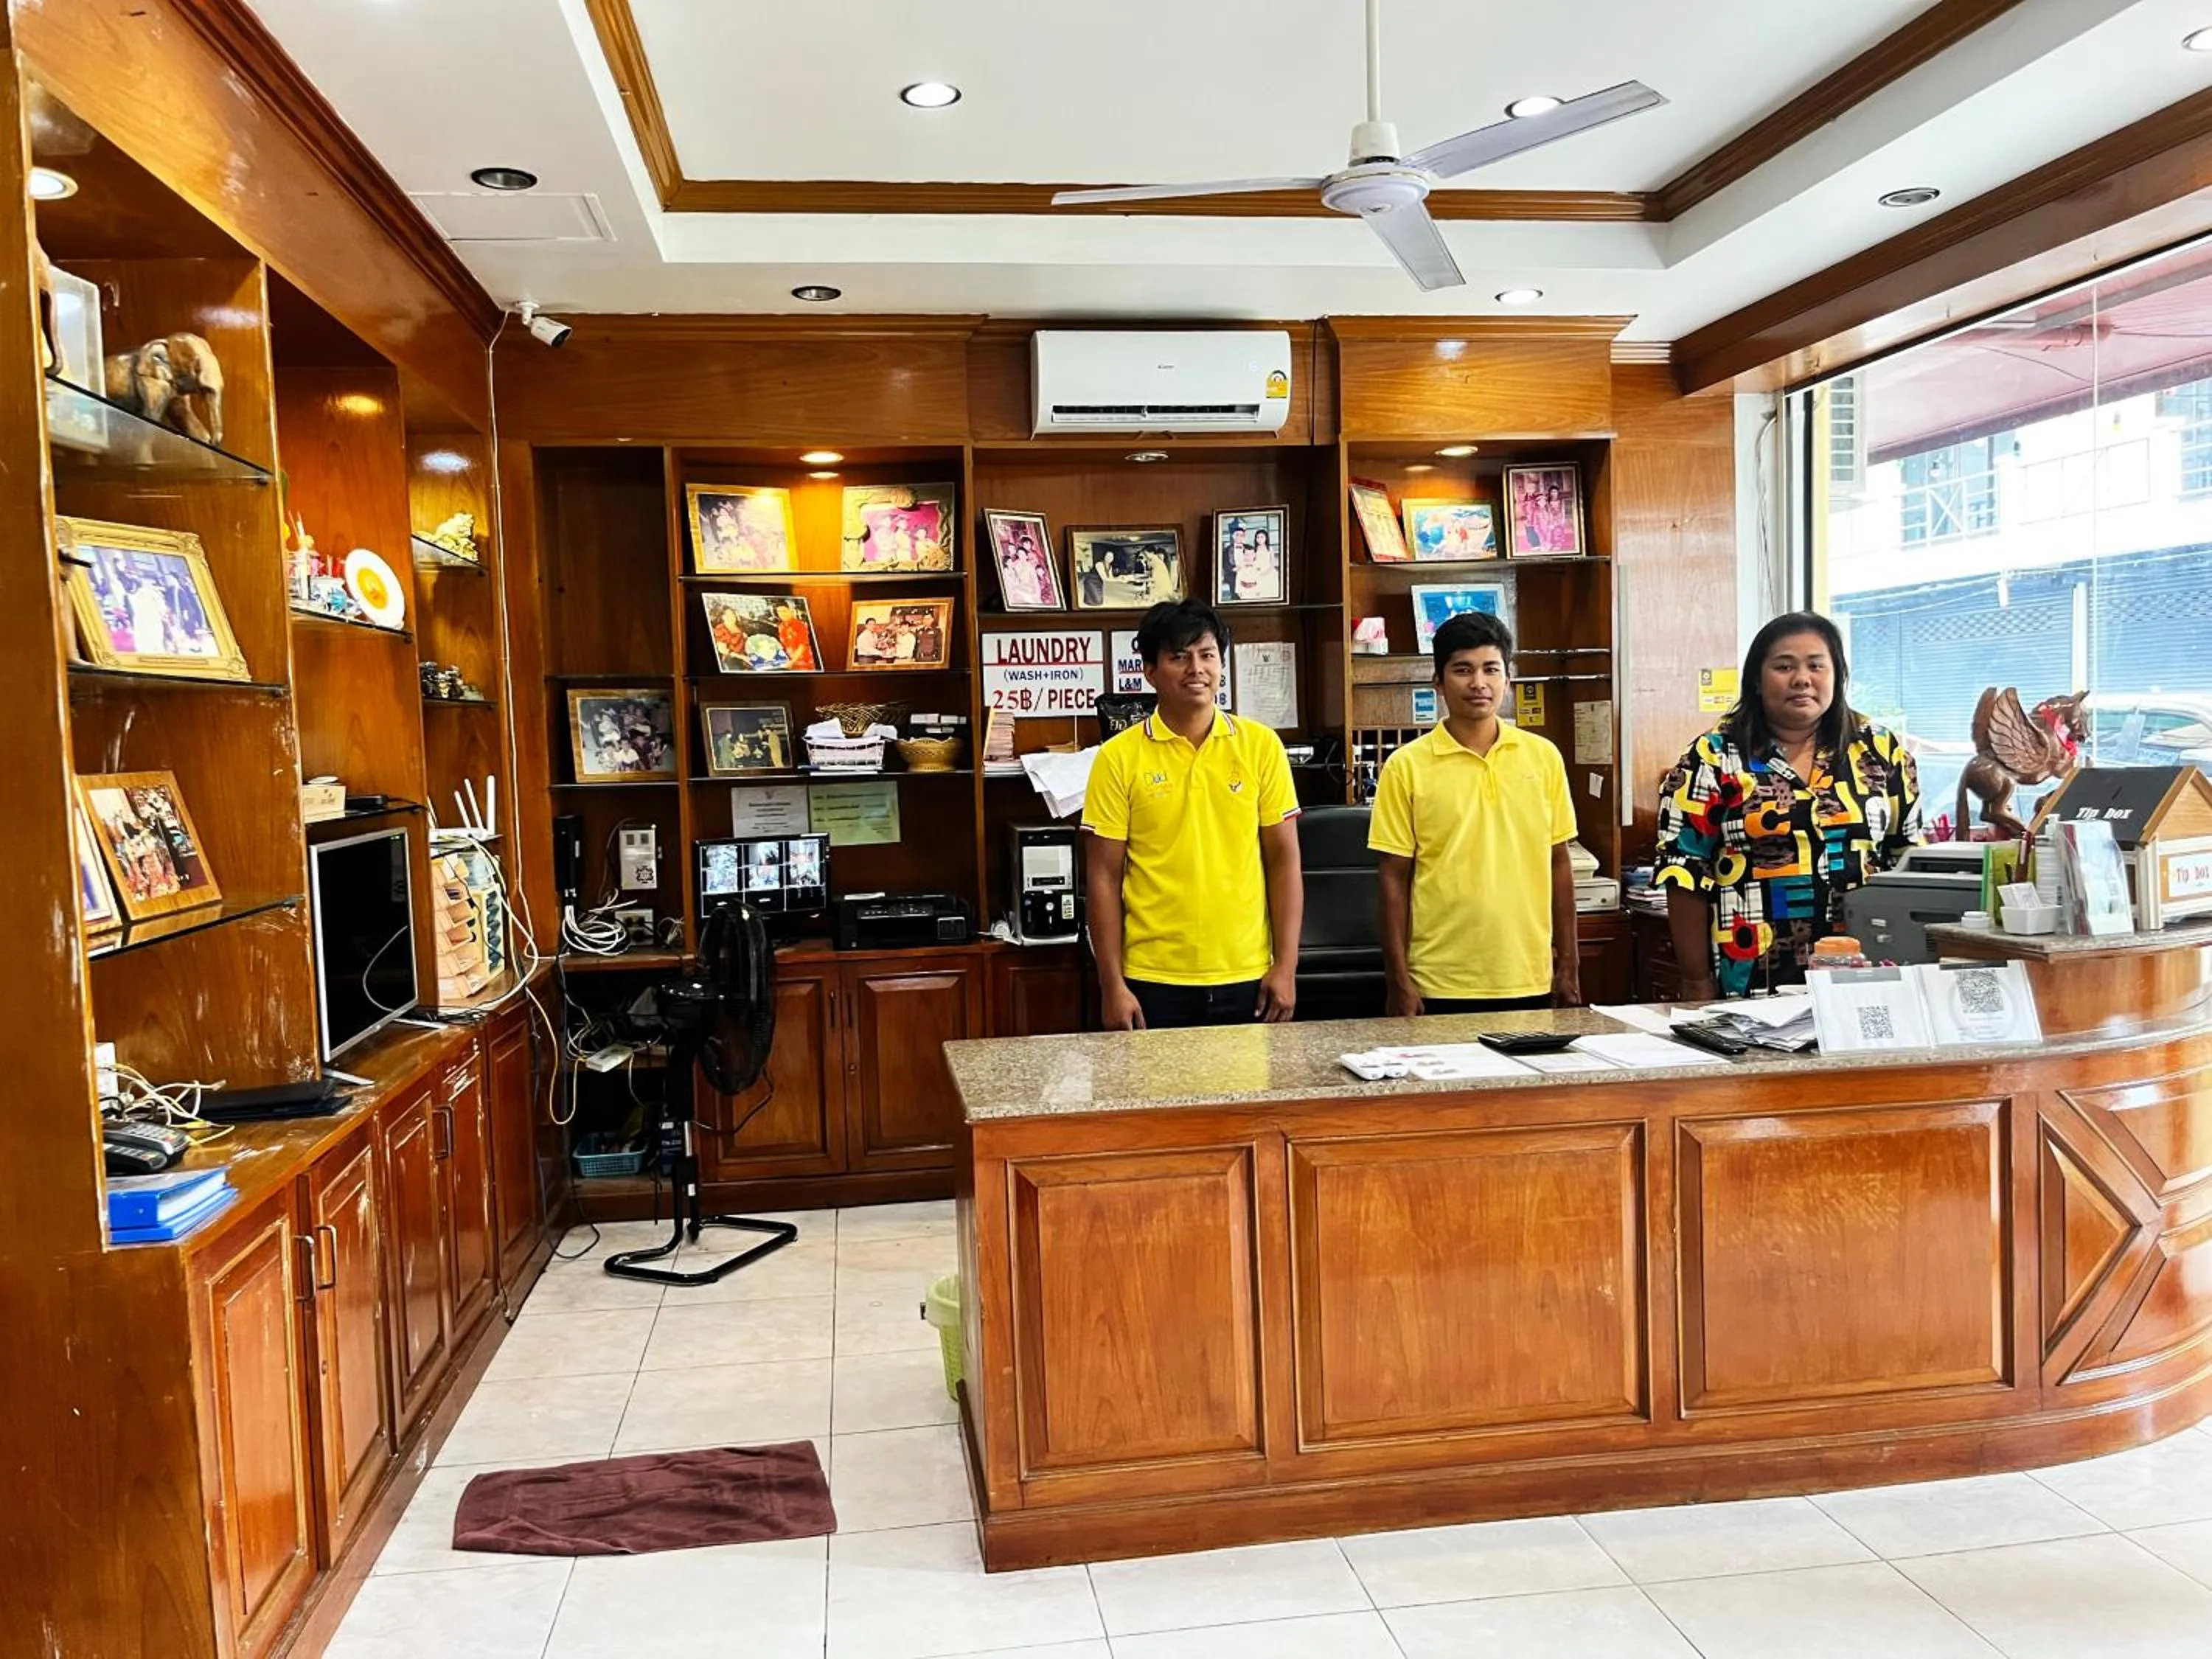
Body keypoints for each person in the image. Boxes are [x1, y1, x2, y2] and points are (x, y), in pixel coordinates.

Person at [1655, 610, 1922, 1001]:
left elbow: (1907, 856)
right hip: (1752, 971)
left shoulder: (1880, 750)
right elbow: (1683, 873)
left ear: (1837, 676)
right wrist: (1695, 980)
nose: (1802, 679)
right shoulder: (1713, 756)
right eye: (1784, 666)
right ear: (1758, 681)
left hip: (1864, 968)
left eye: (1816, 665)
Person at [1083, 599, 1303, 1030]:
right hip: (1150, 978)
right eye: (1178, 656)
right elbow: (1103, 878)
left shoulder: (1261, 746)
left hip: (1247, 975)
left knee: (1246, 1098)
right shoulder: (1117, 758)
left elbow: (1284, 861)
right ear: (1150, 671)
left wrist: (1287, 966)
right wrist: (1112, 985)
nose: (1196, 669)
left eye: (1207, 655)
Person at [1369, 611, 1581, 1015]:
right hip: (1438, 981)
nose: (1478, 683)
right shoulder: (1406, 766)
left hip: (1528, 975)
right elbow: (1393, 878)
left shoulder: (1543, 757)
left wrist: (1569, 961)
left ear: (1508, 679)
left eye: (1491, 669)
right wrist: (1397, 978)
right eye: (1462, 670)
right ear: (1438, 681)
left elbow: (1559, 864)